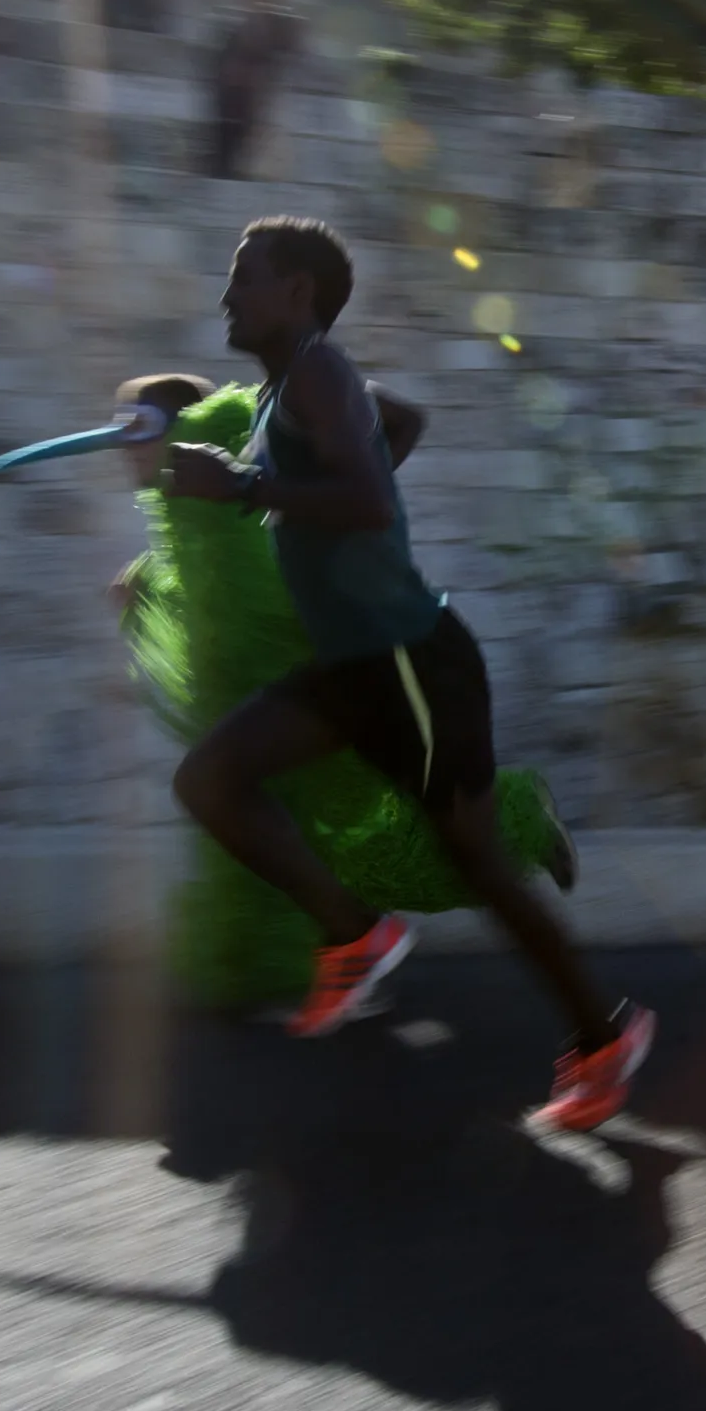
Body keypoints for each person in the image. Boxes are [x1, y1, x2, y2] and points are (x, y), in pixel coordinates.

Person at [165, 218, 655, 1131]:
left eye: (243, 277)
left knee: (481, 866)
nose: (226, 295)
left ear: (298, 293)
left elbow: (361, 495)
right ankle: (355, 932)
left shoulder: (318, 371)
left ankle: (603, 1036)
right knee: (210, 779)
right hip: (353, 667)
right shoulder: (293, 388)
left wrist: (243, 487)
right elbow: (403, 424)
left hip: (410, 661)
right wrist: (295, 488)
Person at [105, 371, 578, 1014]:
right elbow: (211, 596)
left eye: (139, 427)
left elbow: (265, 579)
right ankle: (296, 965)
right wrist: (146, 589)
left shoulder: (246, 466)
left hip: (332, 686)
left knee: (389, 845)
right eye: (119, 429)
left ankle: (519, 823)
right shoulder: (186, 514)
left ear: (190, 428)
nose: (123, 445)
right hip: (278, 700)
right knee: (268, 826)